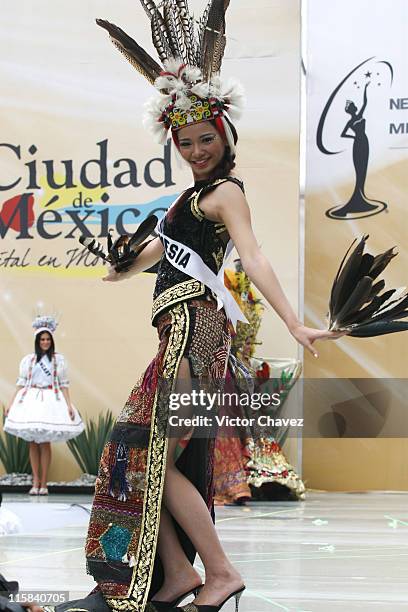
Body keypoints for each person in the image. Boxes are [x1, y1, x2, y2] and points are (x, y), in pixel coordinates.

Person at [59, 4, 344, 612]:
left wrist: (292, 322)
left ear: (226, 136)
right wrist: (119, 267)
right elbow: (155, 254)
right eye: (185, 142)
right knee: (137, 452)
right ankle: (186, 575)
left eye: (205, 139)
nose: (196, 150)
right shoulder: (193, 197)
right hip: (179, 330)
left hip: (193, 334)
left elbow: (256, 258)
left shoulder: (227, 193)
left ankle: (216, 572)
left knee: (148, 449)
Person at [4, 316, 84, 495]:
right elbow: (21, 383)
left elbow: (64, 384)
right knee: (32, 442)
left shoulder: (58, 360)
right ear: (37, 341)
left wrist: (69, 405)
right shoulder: (29, 360)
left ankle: (44, 483)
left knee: (45, 441)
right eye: (42, 339)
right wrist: (11, 404)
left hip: (50, 400)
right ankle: (35, 482)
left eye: (48, 339)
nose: (45, 342)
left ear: (51, 341)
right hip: (31, 398)